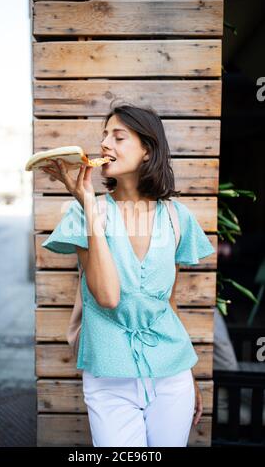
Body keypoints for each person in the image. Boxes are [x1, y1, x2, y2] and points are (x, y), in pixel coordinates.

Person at [40, 103, 216, 447]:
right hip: (109, 376)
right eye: (104, 135)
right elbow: (107, 297)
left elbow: (169, 302)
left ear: (148, 150)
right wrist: (89, 205)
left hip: (172, 373)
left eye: (118, 136)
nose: (105, 144)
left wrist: (189, 376)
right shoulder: (84, 214)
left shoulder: (177, 217)